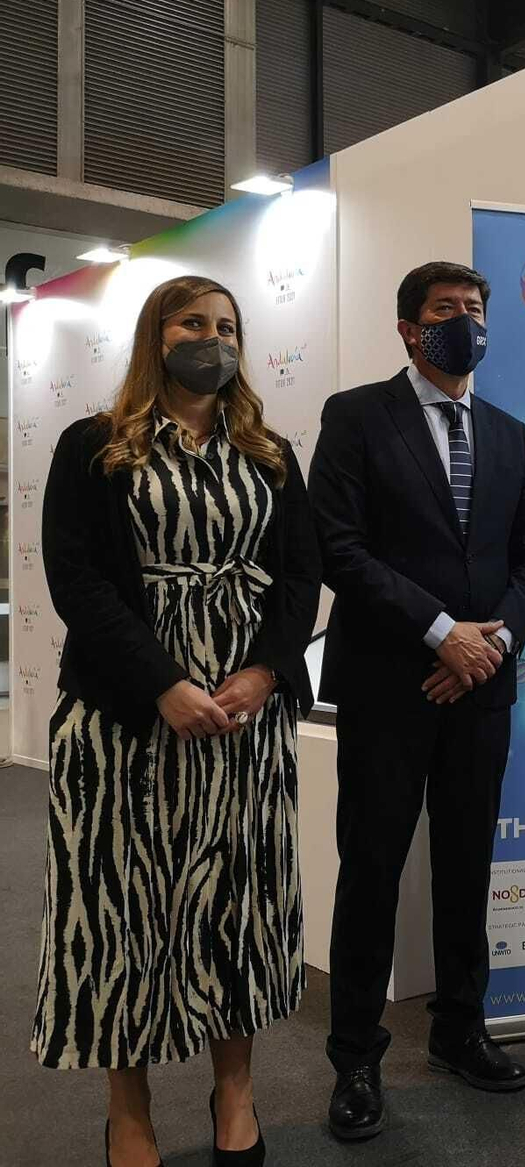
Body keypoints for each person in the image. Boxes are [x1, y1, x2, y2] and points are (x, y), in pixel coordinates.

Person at [32, 275, 320, 1167]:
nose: (213, 338)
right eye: (192, 322)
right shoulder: (95, 446)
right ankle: (130, 1112)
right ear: (155, 337)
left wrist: (265, 673)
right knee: (119, 910)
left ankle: (236, 1092)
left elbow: (300, 574)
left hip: (243, 724)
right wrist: (162, 683)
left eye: (227, 325)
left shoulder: (269, 453)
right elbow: (75, 579)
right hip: (124, 722)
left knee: (238, 905)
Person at [309, 262, 525, 1140]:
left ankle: (460, 1029)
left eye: (474, 309)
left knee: (466, 865)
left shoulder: (509, 431)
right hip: (390, 683)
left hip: (480, 686)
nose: (464, 322)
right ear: (409, 329)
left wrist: (490, 644)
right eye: (445, 309)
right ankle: (355, 1058)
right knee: (371, 871)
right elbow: (338, 547)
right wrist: (441, 632)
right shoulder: (356, 416)